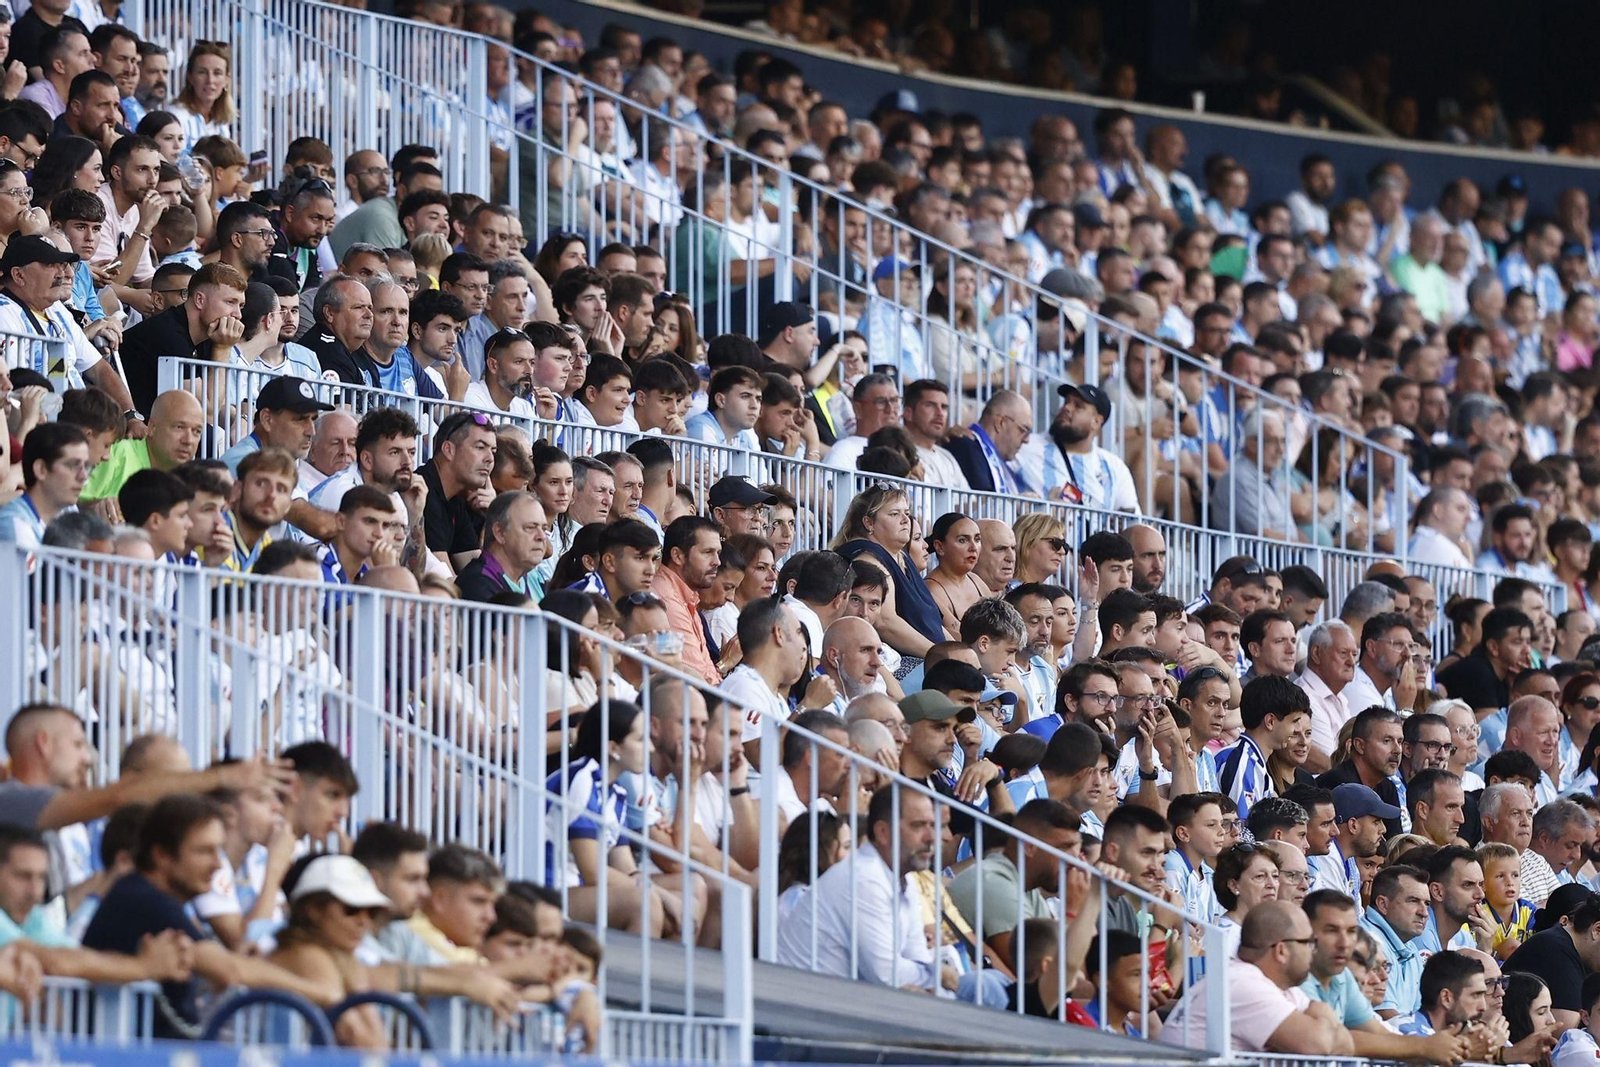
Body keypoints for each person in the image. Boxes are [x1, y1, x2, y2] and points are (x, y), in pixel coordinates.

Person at [780, 787, 954, 992]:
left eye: (933, 825)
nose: (931, 837)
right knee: (980, 988)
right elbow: (886, 975)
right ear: (883, 832)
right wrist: (938, 976)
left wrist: (932, 980)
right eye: (918, 826)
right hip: (804, 1002)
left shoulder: (904, 880)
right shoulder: (863, 878)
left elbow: (917, 958)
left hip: (843, 999)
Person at [1162, 900, 1352, 1054]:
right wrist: (1322, 1010)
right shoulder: (1242, 982)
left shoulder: (1281, 987)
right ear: (1281, 951)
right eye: (1308, 943)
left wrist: (1321, 1020)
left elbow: (1347, 1046)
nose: (1313, 951)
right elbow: (1318, 1045)